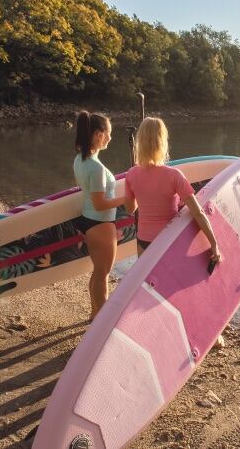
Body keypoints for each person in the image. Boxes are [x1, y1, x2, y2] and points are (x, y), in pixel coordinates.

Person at [124, 117, 221, 263]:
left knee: (146, 285)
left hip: (143, 239)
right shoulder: (174, 175)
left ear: (140, 142)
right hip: (169, 240)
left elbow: (130, 209)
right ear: (162, 142)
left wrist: (144, 195)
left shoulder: (131, 174)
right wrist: (214, 243)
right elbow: (197, 212)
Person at [73, 111, 125, 320]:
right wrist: (126, 198)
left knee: (98, 272)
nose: (110, 138)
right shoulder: (96, 168)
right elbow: (100, 203)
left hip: (89, 221)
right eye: (108, 134)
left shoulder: (80, 160)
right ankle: (102, 322)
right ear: (98, 134)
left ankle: (95, 313)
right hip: (101, 224)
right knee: (103, 274)